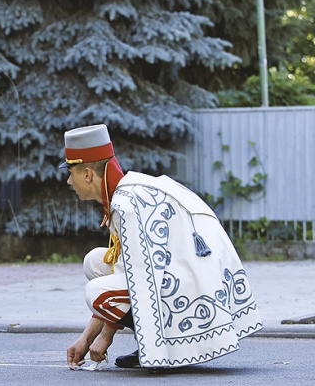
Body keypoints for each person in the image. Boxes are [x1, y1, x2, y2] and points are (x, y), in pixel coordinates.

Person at [61, 124, 263, 371]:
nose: (69, 181)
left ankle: (162, 350)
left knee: (96, 292)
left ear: (88, 174)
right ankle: (151, 345)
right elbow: (131, 268)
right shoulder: (126, 191)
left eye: (71, 173)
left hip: (197, 285)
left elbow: (141, 277)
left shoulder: (127, 205)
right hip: (189, 273)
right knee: (95, 261)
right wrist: (86, 338)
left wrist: (104, 336)